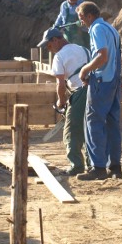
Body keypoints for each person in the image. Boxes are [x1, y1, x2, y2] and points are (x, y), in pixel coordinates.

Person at [75, 1, 122, 181]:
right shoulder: (111, 29)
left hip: (102, 81)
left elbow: (102, 56)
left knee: (93, 122)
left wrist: (85, 69)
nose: (81, 23)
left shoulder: (96, 29)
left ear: (89, 16)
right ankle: (115, 167)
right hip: (115, 81)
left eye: (81, 18)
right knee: (112, 123)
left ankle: (98, 167)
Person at [37, 27, 90, 176]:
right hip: (95, 90)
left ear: (55, 40)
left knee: (71, 131)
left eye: (48, 45)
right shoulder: (83, 49)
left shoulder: (59, 57)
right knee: (89, 128)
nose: (49, 49)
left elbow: (60, 84)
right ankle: (93, 165)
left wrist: (61, 101)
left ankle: (77, 166)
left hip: (80, 91)